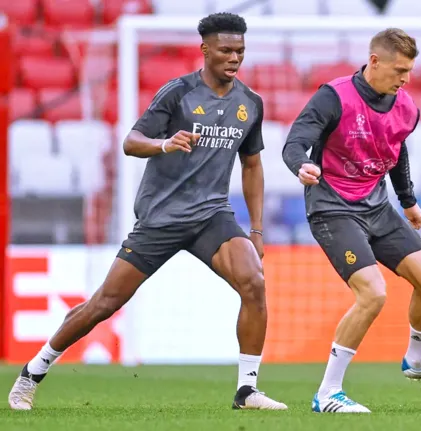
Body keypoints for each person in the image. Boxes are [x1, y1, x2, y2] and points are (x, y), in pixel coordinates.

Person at [8, 12, 287, 411]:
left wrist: (257, 231)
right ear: (205, 49)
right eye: (226, 50)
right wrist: (164, 144)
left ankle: (247, 391)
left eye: (240, 51)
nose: (234, 58)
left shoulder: (250, 103)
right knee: (104, 303)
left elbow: (253, 165)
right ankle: (33, 371)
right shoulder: (177, 93)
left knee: (254, 283)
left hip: (211, 215)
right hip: (162, 217)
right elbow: (130, 141)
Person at [282, 28, 421, 414]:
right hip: (332, 207)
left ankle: (418, 360)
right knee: (373, 293)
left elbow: (397, 147)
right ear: (374, 61)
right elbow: (295, 140)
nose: (405, 79)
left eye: (409, 71)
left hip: (377, 207)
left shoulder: (406, 106)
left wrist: (408, 201)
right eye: (399, 70)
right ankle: (328, 393)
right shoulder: (334, 96)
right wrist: (300, 165)